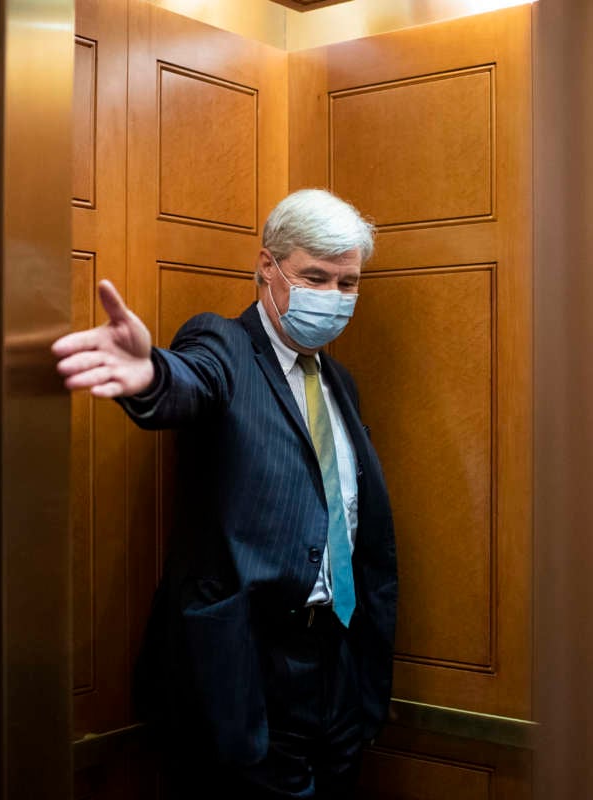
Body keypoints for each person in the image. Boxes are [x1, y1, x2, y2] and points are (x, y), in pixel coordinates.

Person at [52, 189, 397, 798]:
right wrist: (150, 374)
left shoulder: (340, 381)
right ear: (268, 265)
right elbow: (188, 382)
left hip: (338, 664)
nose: (335, 299)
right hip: (249, 670)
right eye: (317, 277)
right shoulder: (224, 346)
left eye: (349, 285)